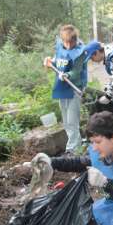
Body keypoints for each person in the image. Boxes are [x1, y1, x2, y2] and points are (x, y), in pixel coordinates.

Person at [43, 25, 88, 153]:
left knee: (72, 121)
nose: (68, 45)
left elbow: (76, 71)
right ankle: (75, 147)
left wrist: (67, 75)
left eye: (70, 42)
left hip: (74, 89)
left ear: (75, 39)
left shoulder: (81, 52)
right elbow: (57, 61)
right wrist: (49, 61)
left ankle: (72, 150)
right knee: (66, 122)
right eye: (65, 42)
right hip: (61, 88)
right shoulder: (59, 47)